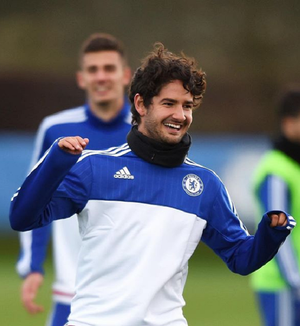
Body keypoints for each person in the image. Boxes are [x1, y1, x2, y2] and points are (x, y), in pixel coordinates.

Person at [10, 43, 296, 326]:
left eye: (187, 106)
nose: (180, 115)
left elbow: (241, 258)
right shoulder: (94, 168)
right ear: (140, 104)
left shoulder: (205, 185)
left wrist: (271, 233)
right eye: (168, 103)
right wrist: (55, 161)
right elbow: (23, 217)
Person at [16, 33, 132, 326]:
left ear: (126, 76)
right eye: (93, 70)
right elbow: (34, 198)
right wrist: (33, 266)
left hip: (133, 295)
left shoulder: (145, 132)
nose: (101, 77)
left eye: (109, 68)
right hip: (73, 293)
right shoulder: (55, 129)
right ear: (81, 78)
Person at [251, 88, 300, 326]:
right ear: (288, 123)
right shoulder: (276, 170)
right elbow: (279, 231)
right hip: (282, 285)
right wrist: (295, 280)